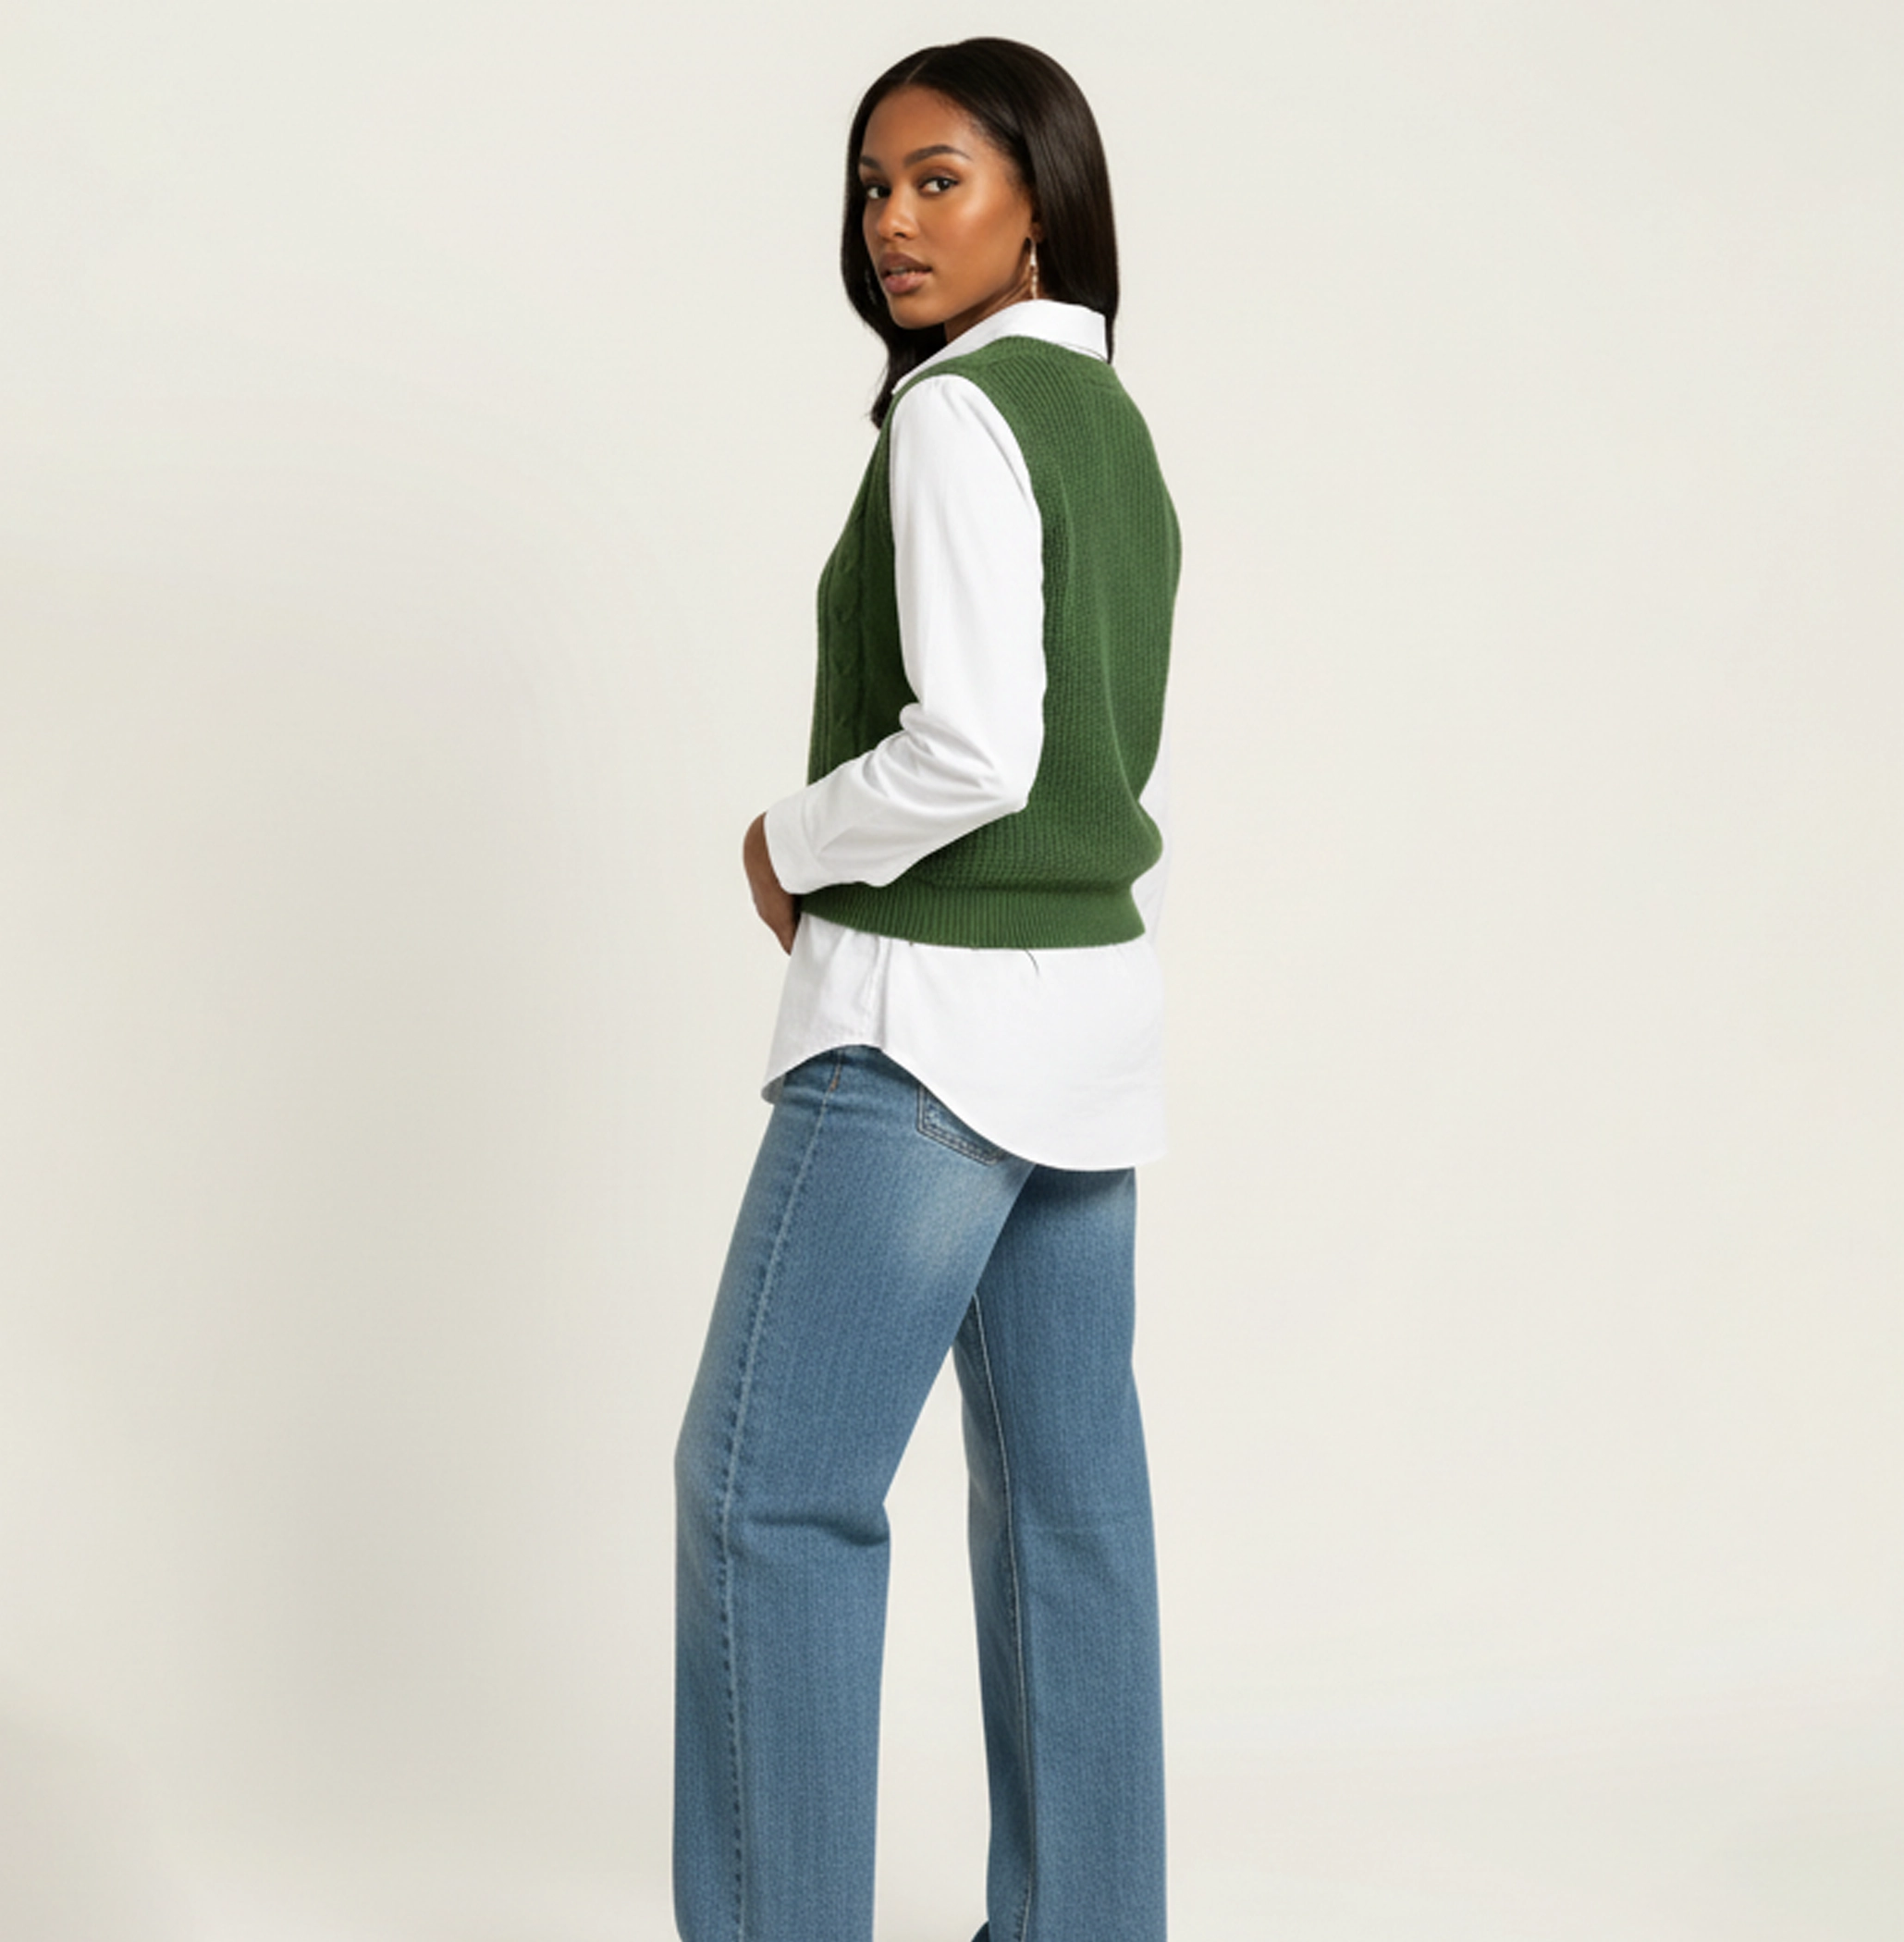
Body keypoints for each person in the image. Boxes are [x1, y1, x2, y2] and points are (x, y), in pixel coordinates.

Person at [672, 36, 1182, 1942]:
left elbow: (973, 748)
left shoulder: (960, 417)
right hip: (1085, 1026)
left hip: (931, 1030)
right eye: (874, 185)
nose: (892, 219)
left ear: (1040, 201)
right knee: (1069, 1521)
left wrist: (787, 842)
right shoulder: (1107, 423)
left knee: (769, 1501)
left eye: (938, 179)